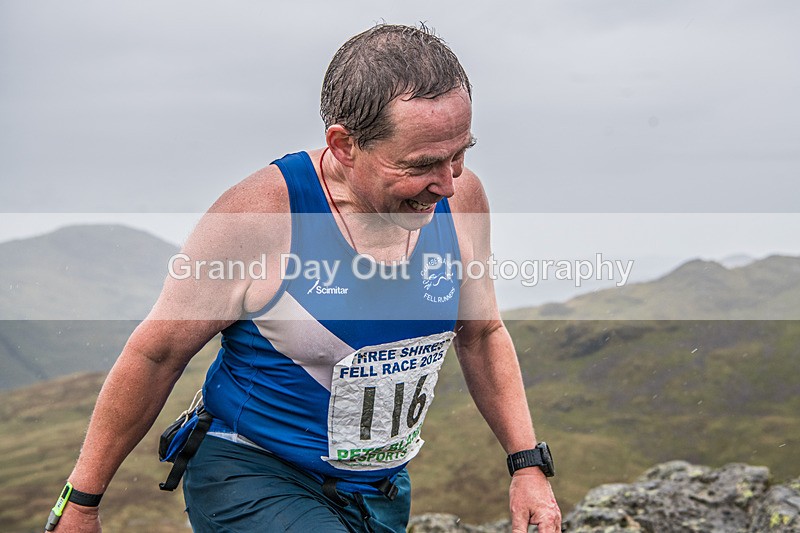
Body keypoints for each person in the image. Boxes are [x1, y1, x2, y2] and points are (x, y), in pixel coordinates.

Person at [45, 24, 561, 533]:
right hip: (249, 474)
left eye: (460, 154)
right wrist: (81, 502)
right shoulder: (260, 218)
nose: (448, 184)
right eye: (423, 164)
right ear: (343, 144)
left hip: (379, 491)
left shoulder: (462, 199)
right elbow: (157, 353)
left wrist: (527, 466)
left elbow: (483, 334)